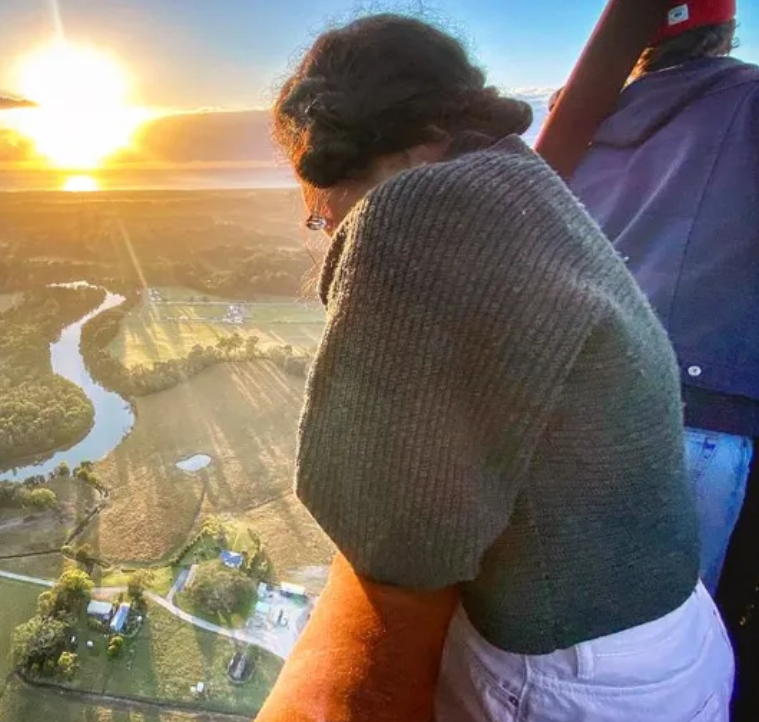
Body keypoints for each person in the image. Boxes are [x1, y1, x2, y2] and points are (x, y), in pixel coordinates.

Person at [256, 14, 733, 722]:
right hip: (672, 645)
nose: (329, 231)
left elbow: (389, 540)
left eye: (322, 218)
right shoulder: (519, 178)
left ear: (332, 152)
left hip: (567, 677)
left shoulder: (416, 208)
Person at [567, 0, 759, 593]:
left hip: (570, 407)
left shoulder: (584, 123)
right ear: (726, 34)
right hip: (700, 408)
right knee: (664, 642)